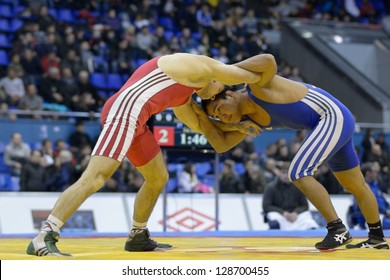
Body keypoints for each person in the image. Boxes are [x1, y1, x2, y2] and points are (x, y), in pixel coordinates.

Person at [26, 53, 261, 256]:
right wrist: (264, 84)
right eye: (217, 91)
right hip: (125, 111)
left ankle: (138, 236)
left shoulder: (185, 93)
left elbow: (201, 125)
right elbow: (236, 74)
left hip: (137, 121)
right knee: (96, 177)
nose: (210, 98)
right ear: (217, 79)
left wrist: (236, 127)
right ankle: (45, 234)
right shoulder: (195, 66)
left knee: (158, 177)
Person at [198, 53, 388, 250]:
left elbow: (269, 61)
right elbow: (221, 145)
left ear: (230, 94)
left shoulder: (255, 88)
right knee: (355, 185)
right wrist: (202, 117)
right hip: (326, 123)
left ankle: (337, 229)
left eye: (219, 109)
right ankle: (377, 238)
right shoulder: (249, 120)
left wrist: (225, 72)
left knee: (298, 172)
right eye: (217, 117)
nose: (222, 117)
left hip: (331, 116)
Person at [262, 161, 319, 230]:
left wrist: (296, 213)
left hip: (296, 216)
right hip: (280, 216)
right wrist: (283, 213)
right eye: (283, 172)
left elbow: (305, 206)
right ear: (279, 173)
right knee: (274, 219)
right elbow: (266, 206)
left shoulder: (298, 187)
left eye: (288, 173)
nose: (286, 176)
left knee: (310, 223)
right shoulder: (271, 187)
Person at [348, 162, 390, 230]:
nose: (376, 174)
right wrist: (386, 212)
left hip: (383, 215)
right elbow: (369, 204)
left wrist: (388, 209)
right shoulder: (361, 188)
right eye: (374, 171)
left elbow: (384, 200)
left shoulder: (375, 185)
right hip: (372, 217)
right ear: (368, 173)